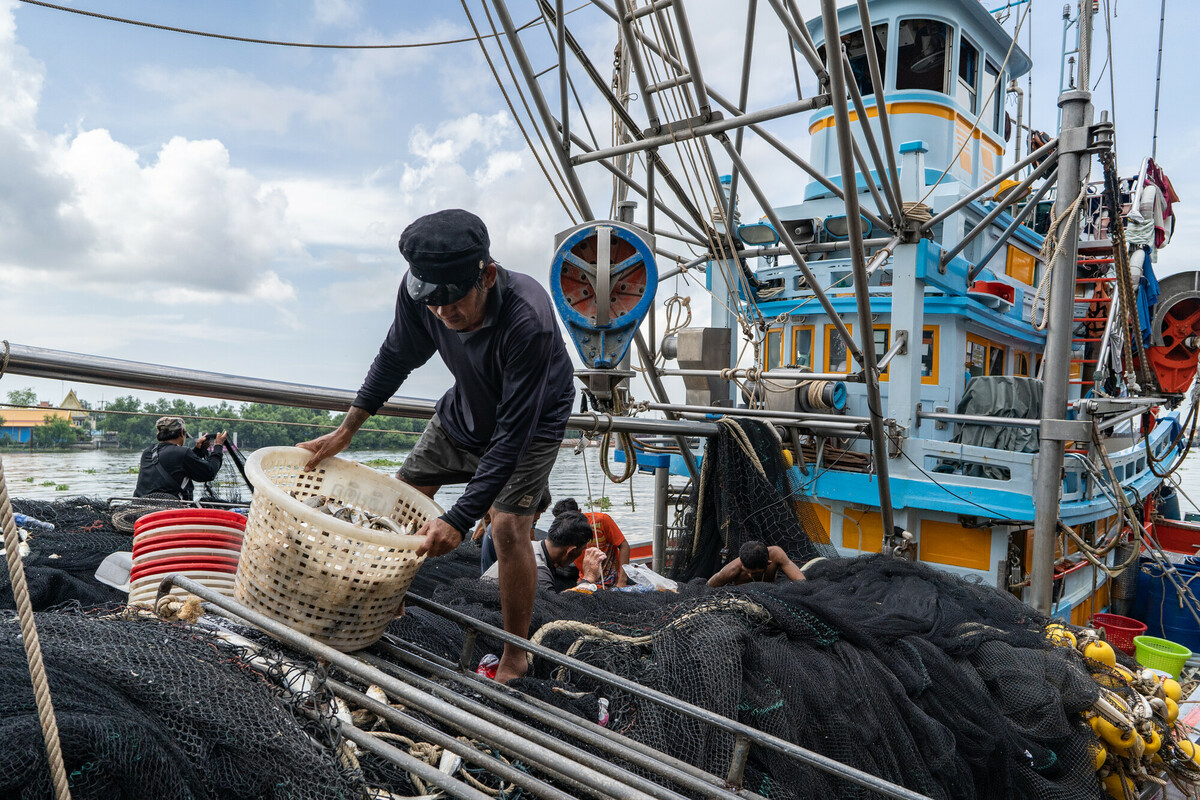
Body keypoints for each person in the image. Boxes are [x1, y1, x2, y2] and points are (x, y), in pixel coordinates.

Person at [298, 209, 575, 684]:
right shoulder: (419, 294)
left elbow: (510, 437)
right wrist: (349, 428)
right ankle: (387, 605)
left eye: (453, 301)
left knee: (508, 528)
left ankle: (516, 653)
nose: (443, 314)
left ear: (487, 276)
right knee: (400, 503)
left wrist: (459, 518)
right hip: (465, 408)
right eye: (432, 303)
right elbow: (394, 357)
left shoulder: (529, 318)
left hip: (531, 423)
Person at [482, 511, 604, 592]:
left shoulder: (532, 545)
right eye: (582, 550)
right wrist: (588, 579)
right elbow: (555, 607)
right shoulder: (538, 570)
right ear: (570, 551)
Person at [133, 416, 228, 501]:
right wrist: (218, 446)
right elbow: (209, 472)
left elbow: (175, 466)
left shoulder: (148, 452)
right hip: (168, 510)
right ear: (182, 432)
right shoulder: (182, 452)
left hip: (141, 506)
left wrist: (197, 450)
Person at [553, 498, 629, 588]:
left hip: (610, 578)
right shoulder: (563, 530)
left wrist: (622, 581)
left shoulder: (601, 520)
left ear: (579, 512)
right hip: (585, 577)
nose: (569, 526)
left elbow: (624, 546)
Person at [479, 492, 551, 574]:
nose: (539, 517)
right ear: (532, 509)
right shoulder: (510, 529)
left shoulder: (507, 520)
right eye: (541, 512)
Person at [706, 540, 806, 587]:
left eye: (754, 573)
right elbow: (707, 588)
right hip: (743, 599)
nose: (749, 575)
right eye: (747, 572)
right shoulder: (731, 570)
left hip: (772, 594)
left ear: (768, 563)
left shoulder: (777, 554)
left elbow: (800, 580)